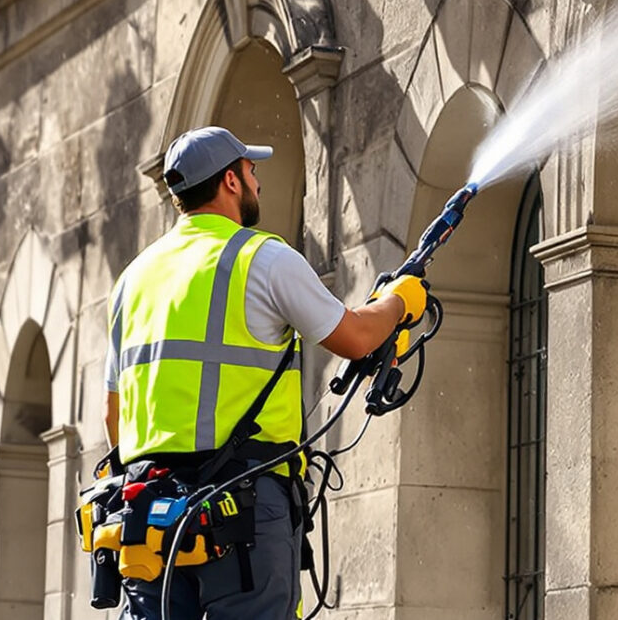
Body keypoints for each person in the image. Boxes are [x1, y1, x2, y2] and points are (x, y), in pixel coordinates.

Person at [104, 126, 424, 619]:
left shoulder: (132, 280)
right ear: (230, 182)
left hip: (147, 516)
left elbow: (114, 416)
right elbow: (356, 337)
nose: (258, 180)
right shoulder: (262, 258)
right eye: (251, 170)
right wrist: (400, 302)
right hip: (243, 510)